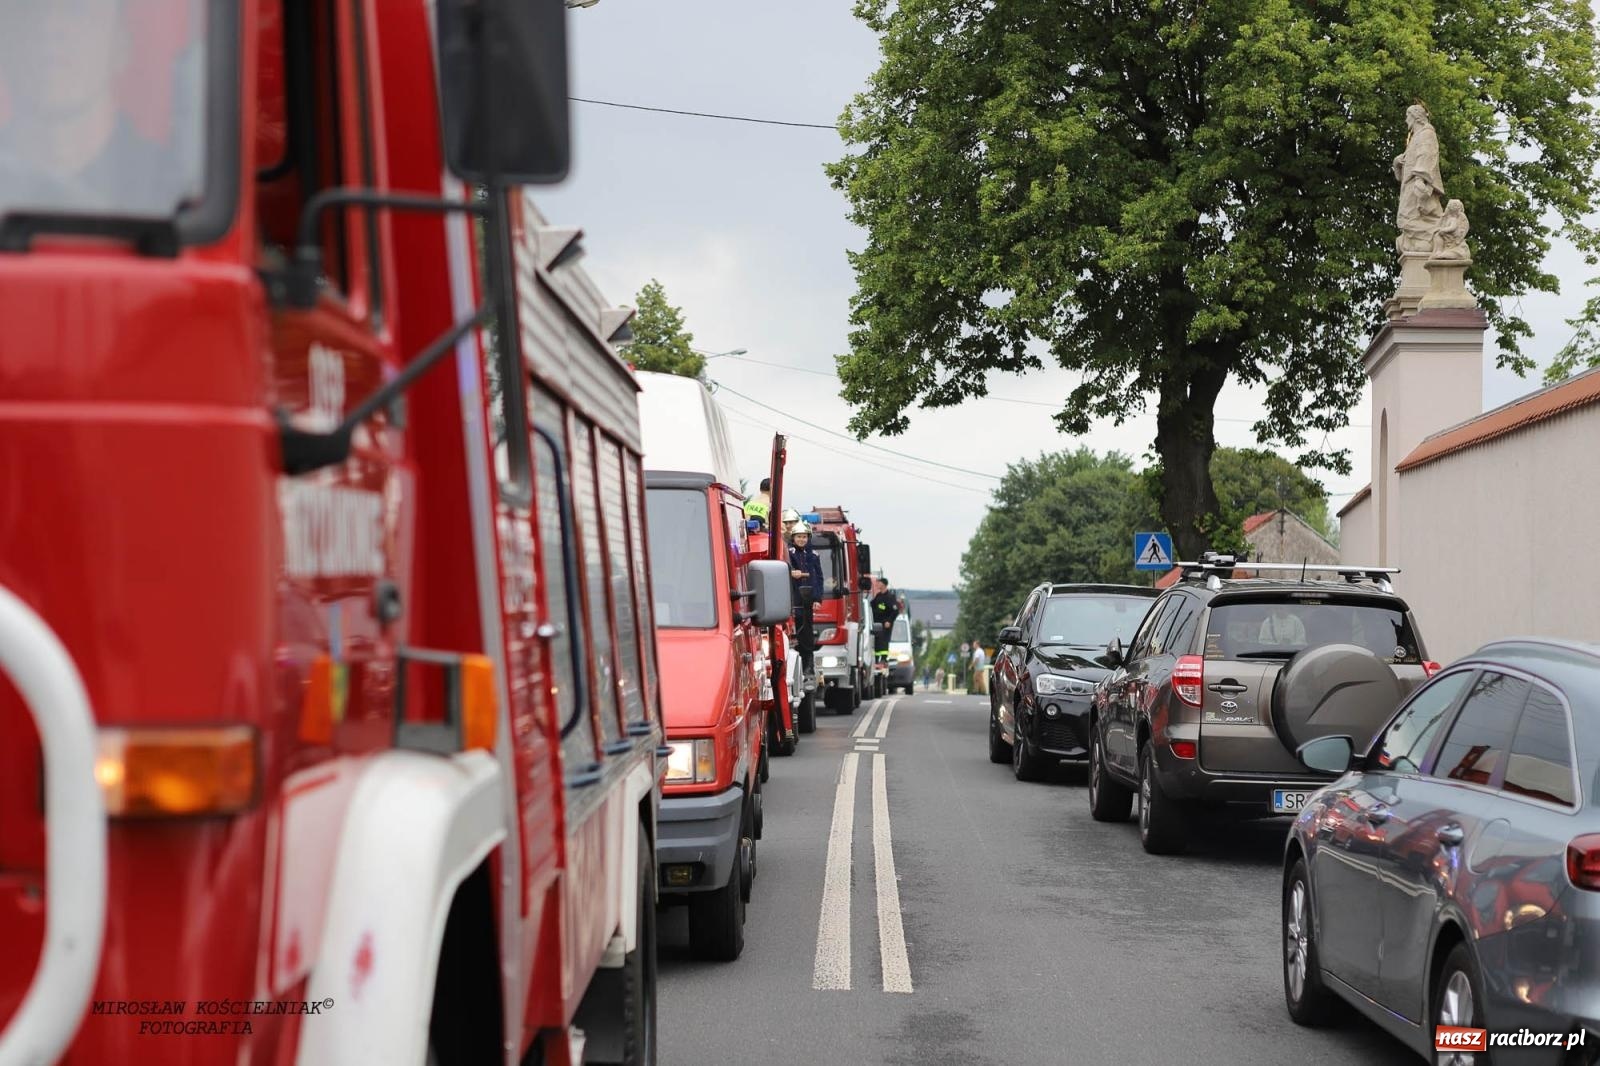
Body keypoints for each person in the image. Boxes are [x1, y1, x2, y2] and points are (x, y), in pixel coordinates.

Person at [0, 0, 188, 216]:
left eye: (78, 8)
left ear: (120, 47)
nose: (50, 26)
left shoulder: (172, 192)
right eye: (29, 9)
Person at [787, 519, 823, 691]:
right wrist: (790, 573)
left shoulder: (814, 556)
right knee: (793, 633)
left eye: (804, 537)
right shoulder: (788, 553)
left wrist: (817, 599)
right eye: (798, 537)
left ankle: (808, 667)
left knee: (807, 634)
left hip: (807, 600)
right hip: (792, 600)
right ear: (793, 538)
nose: (801, 540)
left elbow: (819, 578)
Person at [869, 577, 900, 671]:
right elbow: (871, 604)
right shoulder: (878, 596)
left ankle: (883, 658)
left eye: (879, 583)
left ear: (884, 584)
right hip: (877, 623)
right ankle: (877, 659)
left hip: (885, 624)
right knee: (877, 641)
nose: (877, 584)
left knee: (883, 641)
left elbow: (895, 611)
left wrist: (889, 621)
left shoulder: (890, 597)